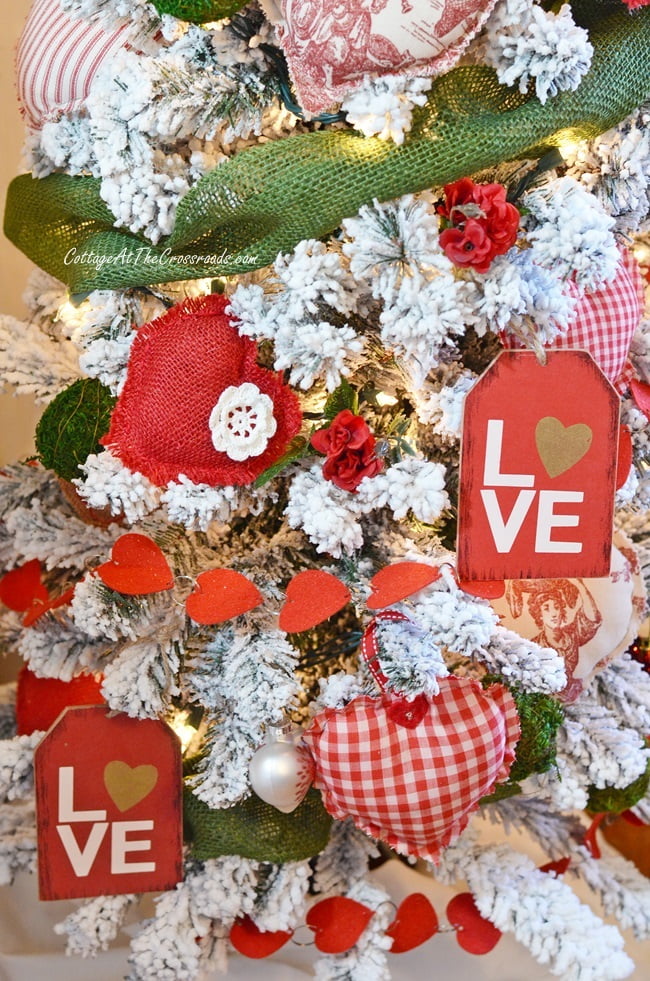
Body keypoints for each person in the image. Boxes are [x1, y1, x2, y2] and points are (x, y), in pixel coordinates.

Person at [507, 578, 603, 701]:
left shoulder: (572, 634)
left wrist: (579, 585)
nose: (554, 613)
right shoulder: (533, 646)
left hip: (576, 697)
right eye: (546, 608)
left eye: (556, 607)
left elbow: (592, 618)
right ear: (539, 615)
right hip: (541, 702)